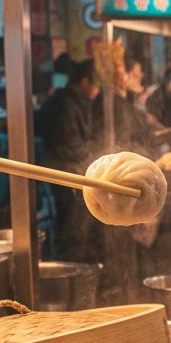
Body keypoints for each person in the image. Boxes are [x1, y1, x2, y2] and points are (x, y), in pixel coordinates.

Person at [35, 58, 100, 261]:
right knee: (72, 231)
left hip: (75, 174)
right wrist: (95, 159)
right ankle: (72, 270)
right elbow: (68, 145)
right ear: (84, 82)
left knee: (79, 231)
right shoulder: (63, 105)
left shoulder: (74, 102)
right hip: (64, 178)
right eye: (95, 84)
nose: (97, 90)